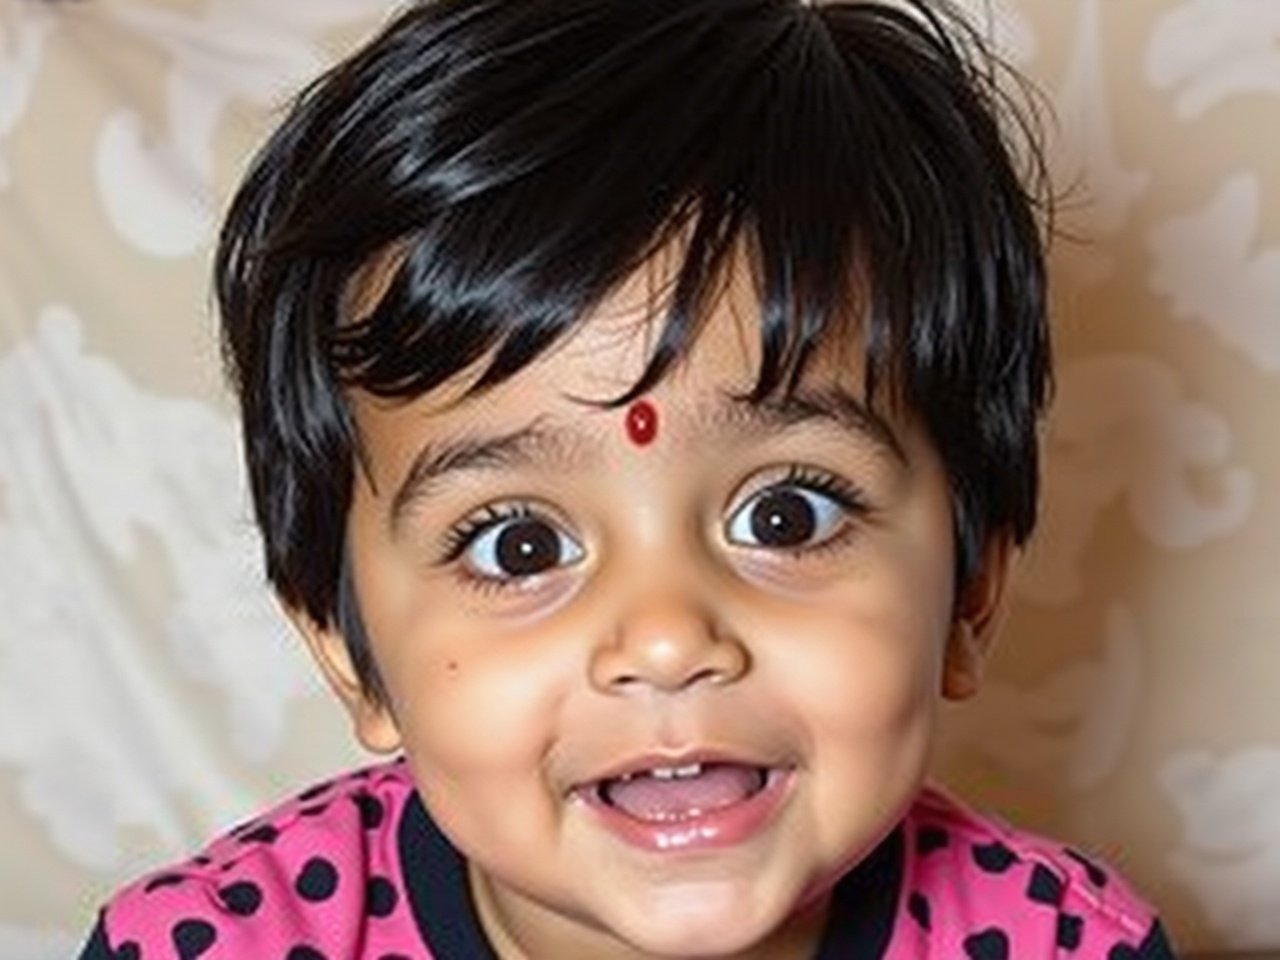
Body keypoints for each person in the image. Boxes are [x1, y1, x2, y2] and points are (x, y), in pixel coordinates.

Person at [78, 0, 1178, 956]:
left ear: (968, 592)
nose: (663, 637)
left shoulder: (1068, 943)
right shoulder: (207, 947)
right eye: (517, 545)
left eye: (784, 513)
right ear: (343, 643)